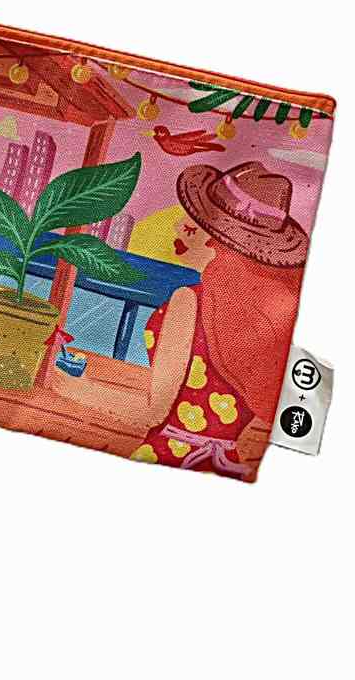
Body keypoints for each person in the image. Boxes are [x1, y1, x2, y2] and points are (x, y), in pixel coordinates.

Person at [55, 160, 307, 481]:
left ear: (218, 240)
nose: (178, 227)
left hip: (165, 457)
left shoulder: (191, 301)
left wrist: (76, 388)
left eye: (196, 223)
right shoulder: (269, 315)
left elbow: (152, 411)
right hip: (228, 467)